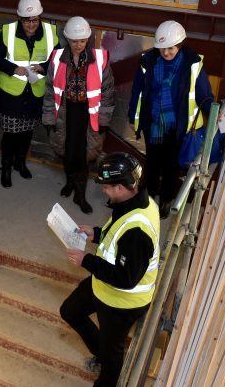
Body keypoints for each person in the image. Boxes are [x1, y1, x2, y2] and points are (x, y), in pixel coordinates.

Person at [60, 152, 160, 386]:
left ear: (121, 187)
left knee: (113, 353)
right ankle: (103, 354)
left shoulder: (137, 231)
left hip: (122, 302)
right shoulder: (135, 202)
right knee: (71, 311)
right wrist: (97, 233)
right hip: (104, 286)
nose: (103, 190)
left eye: (106, 187)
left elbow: (126, 278)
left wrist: (86, 260)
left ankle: (107, 376)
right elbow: (118, 234)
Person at [128, 20, 213, 218]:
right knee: (152, 163)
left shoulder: (192, 64)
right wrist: (133, 116)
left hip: (178, 127)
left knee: (172, 167)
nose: (166, 53)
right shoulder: (148, 61)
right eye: (162, 49)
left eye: (171, 48)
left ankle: (166, 200)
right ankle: (147, 199)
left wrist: (216, 113)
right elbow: (137, 92)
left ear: (180, 45)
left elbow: (204, 94)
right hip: (153, 124)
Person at [43, 16, 115, 214]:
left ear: (88, 39)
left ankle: (80, 195)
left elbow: (108, 93)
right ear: (67, 39)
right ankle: (69, 182)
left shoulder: (99, 60)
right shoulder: (57, 58)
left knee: (84, 155)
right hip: (65, 114)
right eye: (74, 41)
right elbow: (50, 90)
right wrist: (49, 118)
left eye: (82, 40)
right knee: (67, 150)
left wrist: (103, 121)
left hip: (88, 116)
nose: (78, 45)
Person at [0, 0, 58, 188]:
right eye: (27, 21)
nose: (31, 25)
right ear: (20, 19)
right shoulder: (8, 31)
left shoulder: (50, 33)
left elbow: (57, 59)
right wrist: (13, 69)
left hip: (34, 93)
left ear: (39, 18)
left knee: (27, 132)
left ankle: (20, 162)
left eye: (34, 20)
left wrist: (44, 66)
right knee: (11, 134)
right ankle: (6, 167)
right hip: (12, 94)